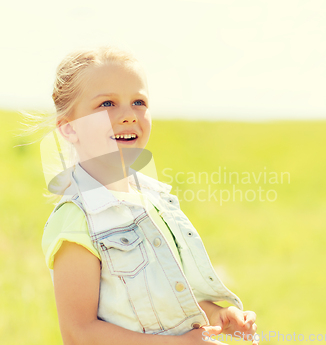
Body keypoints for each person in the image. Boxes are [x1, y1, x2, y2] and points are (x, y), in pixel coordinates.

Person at [35, 45, 259, 345]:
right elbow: (79, 334)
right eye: (107, 104)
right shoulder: (76, 219)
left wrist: (217, 316)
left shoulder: (155, 202)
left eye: (138, 101)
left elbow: (165, 299)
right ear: (70, 129)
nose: (128, 115)